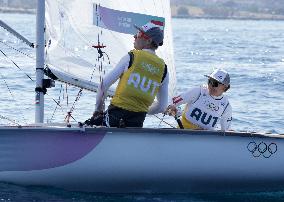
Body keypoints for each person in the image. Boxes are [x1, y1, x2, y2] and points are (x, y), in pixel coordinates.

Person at [85, 21, 169, 127]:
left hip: (115, 118)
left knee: (88, 125)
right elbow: (162, 106)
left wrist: (98, 110)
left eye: (139, 34)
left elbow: (103, 86)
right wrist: (142, 111)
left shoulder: (132, 57)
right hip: (137, 122)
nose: (134, 36)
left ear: (149, 40)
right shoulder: (164, 70)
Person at [166, 69, 232, 131]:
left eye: (215, 83)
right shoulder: (197, 92)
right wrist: (171, 106)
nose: (211, 85)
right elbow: (172, 101)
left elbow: (225, 131)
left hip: (205, 139)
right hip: (184, 133)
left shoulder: (226, 106)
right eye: (209, 81)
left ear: (224, 87)